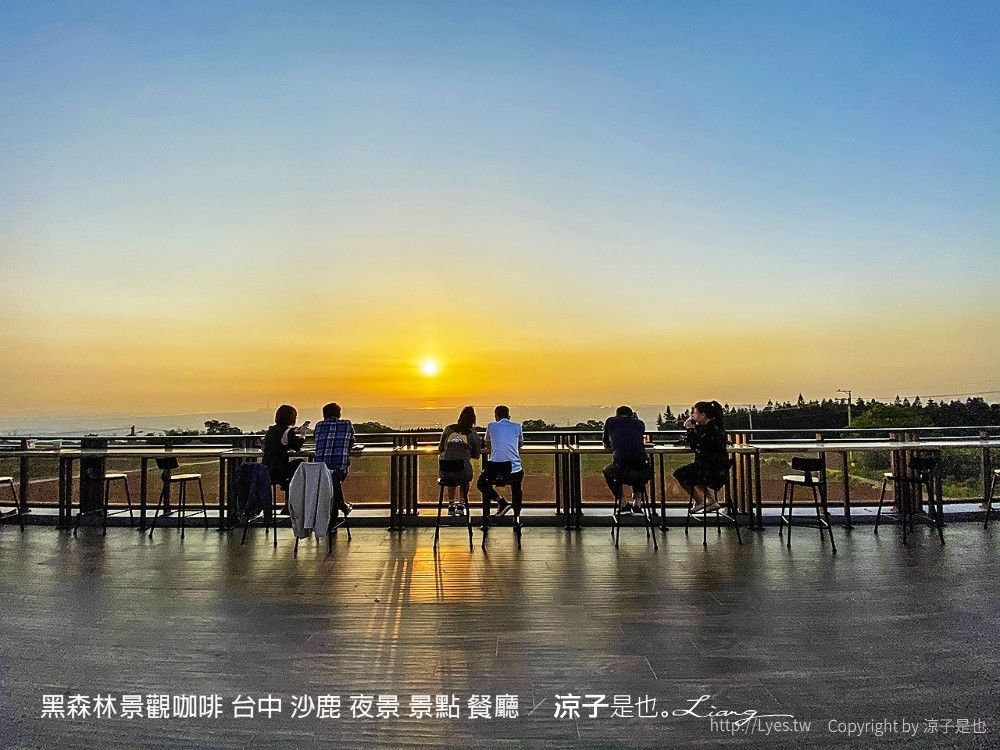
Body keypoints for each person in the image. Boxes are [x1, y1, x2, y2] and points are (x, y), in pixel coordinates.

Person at [673, 400, 729, 513]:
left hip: (707, 469)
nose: (693, 415)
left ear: (703, 415)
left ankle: (700, 501)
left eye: (695, 413)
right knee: (693, 475)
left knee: (680, 474)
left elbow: (695, 444)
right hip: (718, 470)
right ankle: (711, 501)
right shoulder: (716, 427)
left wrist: (690, 429)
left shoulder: (709, 430)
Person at [477, 405, 524, 527]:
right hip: (514, 470)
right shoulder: (517, 426)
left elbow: (487, 444)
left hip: (495, 469)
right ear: (509, 416)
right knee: (516, 488)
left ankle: (499, 503)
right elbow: (520, 443)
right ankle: (516, 518)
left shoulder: (491, 426)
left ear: (496, 417)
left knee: (481, 483)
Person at [602, 406, 651, 514]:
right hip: (644, 469)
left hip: (621, 470)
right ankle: (637, 502)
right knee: (638, 469)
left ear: (617, 415)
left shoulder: (610, 422)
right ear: (631, 415)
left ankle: (623, 502)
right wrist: (636, 420)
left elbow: (606, 444)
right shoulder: (639, 423)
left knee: (607, 470)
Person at [438, 406, 483, 516]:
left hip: (445, 471)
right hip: (462, 472)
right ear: (473, 420)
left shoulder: (448, 429)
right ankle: (462, 504)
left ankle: (451, 505)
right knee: (464, 476)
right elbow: (476, 455)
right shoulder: (472, 434)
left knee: (451, 475)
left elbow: (441, 449)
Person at [312, 402, 355, 516]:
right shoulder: (347, 424)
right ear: (339, 414)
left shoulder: (319, 425)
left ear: (324, 415)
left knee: (330, 481)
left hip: (319, 470)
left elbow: (315, 438)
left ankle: (339, 508)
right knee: (335, 479)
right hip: (339, 468)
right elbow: (351, 440)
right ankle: (341, 506)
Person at [262, 404, 308, 492]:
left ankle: (287, 486)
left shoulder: (270, 430)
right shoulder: (288, 431)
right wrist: (303, 435)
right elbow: (297, 446)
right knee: (300, 463)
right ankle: (289, 488)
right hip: (280, 471)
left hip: (266, 469)